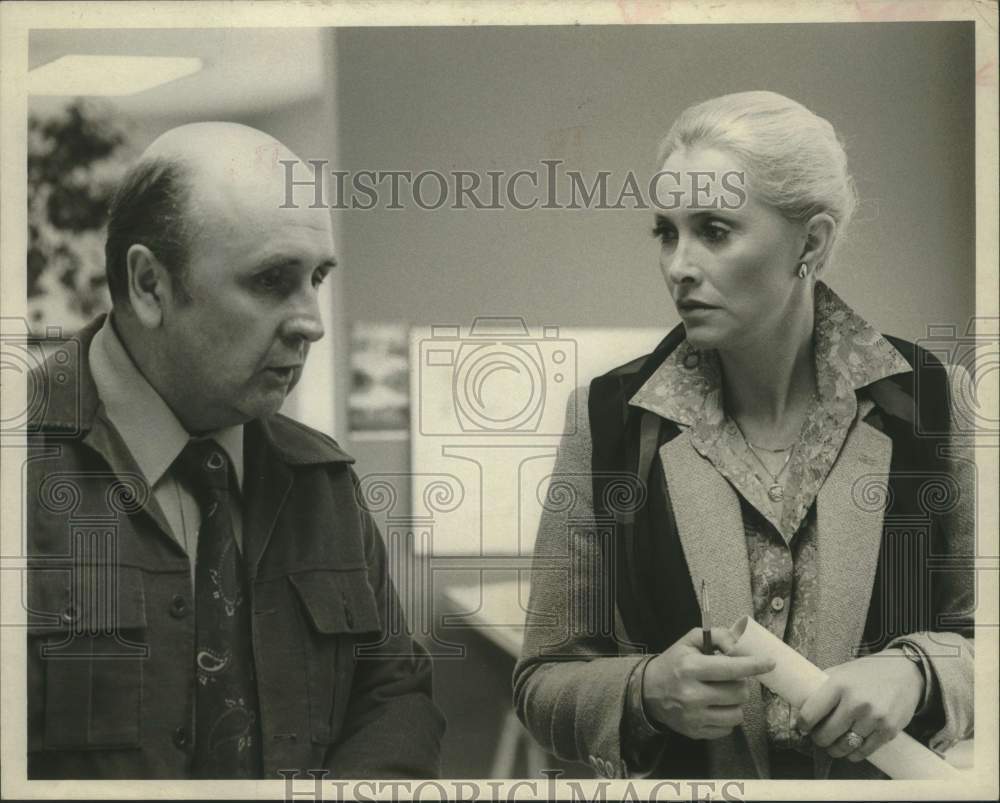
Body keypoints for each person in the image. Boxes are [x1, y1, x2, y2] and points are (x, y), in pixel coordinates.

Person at [513, 91, 975, 780]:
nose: (679, 265)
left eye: (715, 230)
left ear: (810, 242)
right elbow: (541, 681)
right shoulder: (607, 419)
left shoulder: (932, 402)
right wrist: (645, 690)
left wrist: (920, 672)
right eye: (666, 232)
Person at [26, 123, 445, 779]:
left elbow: (393, 696)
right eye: (272, 280)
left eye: (318, 277)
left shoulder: (323, 481)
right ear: (149, 285)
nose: (312, 321)